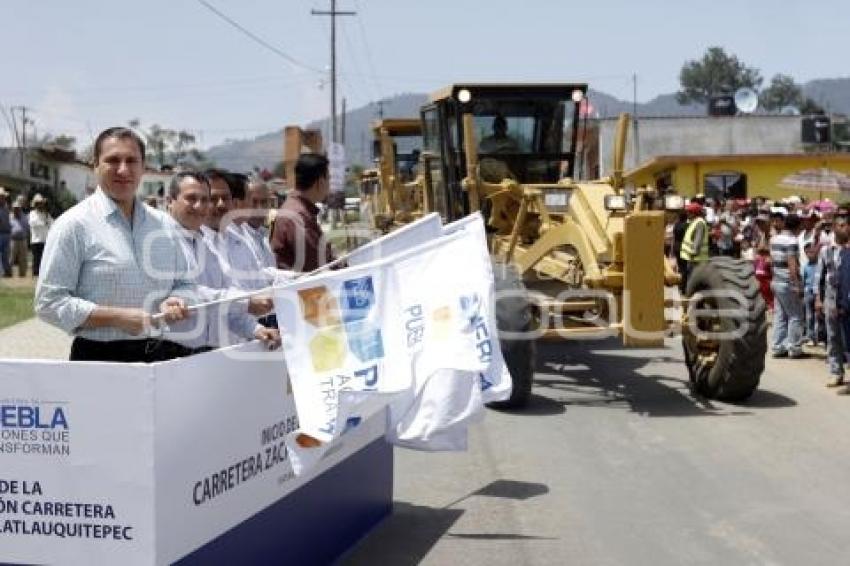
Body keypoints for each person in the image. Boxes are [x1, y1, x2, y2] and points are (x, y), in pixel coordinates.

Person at [35, 127, 194, 363]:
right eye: (113, 160)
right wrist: (114, 317)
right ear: (95, 166)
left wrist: (178, 298)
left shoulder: (164, 225)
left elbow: (184, 282)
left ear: (143, 167)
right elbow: (49, 302)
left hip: (161, 355)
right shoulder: (73, 225)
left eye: (132, 161)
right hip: (100, 358)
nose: (123, 170)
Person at [165, 171, 279, 351]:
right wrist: (246, 302)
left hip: (213, 352)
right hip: (173, 353)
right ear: (170, 201)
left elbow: (224, 308)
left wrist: (256, 329)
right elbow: (190, 293)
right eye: (191, 198)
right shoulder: (162, 241)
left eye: (204, 199)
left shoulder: (204, 245)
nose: (199, 206)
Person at [271, 153, 335, 273]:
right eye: (329, 179)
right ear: (320, 182)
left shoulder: (298, 210)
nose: (329, 186)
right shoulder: (299, 216)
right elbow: (317, 266)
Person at [815, 214, 850, 388]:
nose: (846, 228)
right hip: (830, 298)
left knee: (848, 338)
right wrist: (818, 299)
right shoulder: (826, 250)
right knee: (833, 336)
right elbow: (819, 276)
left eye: (847, 225)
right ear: (835, 228)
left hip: (847, 299)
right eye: (842, 225)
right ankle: (836, 372)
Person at [770, 213, 804, 359]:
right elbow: (792, 263)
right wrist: (796, 284)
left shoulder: (774, 239)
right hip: (787, 282)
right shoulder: (791, 241)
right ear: (796, 226)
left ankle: (778, 346)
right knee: (795, 315)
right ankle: (794, 347)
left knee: (780, 315)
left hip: (776, 280)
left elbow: (772, 261)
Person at [679, 202, 709, 294]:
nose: (687, 214)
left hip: (696, 260)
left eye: (689, 212)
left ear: (693, 213)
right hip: (693, 259)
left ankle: (693, 301)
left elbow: (697, 240)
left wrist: (694, 252)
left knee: (693, 284)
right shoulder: (695, 222)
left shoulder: (699, 223)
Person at [28, 193, 52, 277]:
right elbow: (32, 223)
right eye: (38, 203)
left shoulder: (46, 214)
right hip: (36, 240)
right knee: (36, 258)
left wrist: (46, 221)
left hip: (45, 240)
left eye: (41, 203)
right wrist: (43, 223)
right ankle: (35, 274)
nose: (40, 205)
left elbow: (51, 224)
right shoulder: (32, 213)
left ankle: (41, 274)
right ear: (35, 204)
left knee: (43, 258)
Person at [802, 242, 820, 347]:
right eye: (807, 253)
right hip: (808, 294)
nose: (810, 254)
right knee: (809, 317)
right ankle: (811, 337)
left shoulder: (820, 265)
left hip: (818, 294)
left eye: (812, 252)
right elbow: (804, 281)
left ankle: (820, 337)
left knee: (819, 317)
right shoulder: (805, 267)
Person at [9, 196, 29, 277]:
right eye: (15, 208)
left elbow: (27, 228)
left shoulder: (24, 217)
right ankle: (8, 274)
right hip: (13, 240)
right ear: (13, 208)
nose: (16, 209)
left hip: (23, 240)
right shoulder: (9, 217)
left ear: (20, 208)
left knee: (23, 259)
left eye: (18, 208)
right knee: (11, 258)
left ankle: (22, 275)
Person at [0, 187, 11, 277]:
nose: (3, 198)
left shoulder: (6, 207)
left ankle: (6, 272)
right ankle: (2, 272)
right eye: (1, 196)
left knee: (5, 254)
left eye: (3, 196)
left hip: (7, 234)